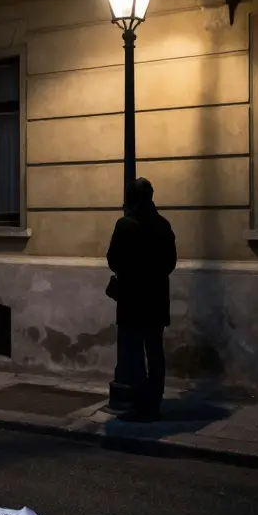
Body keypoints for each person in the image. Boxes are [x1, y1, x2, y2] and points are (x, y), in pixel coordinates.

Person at [106, 177, 177, 422]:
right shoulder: (163, 225)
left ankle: (138, 404)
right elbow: (171, 263)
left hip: (132, 300)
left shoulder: (125, 224)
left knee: (134, 352)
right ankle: (154, 402)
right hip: (156, 298)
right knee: (155, 350)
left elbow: (113, 260)